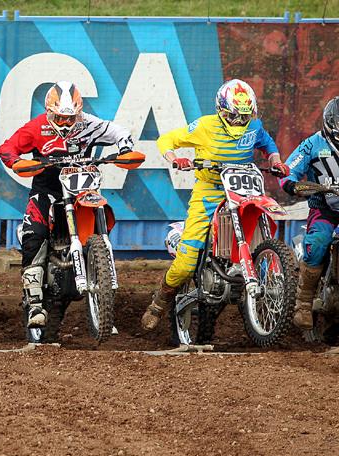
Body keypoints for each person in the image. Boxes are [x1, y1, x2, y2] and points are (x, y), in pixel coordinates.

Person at [140, 79, 289, 331]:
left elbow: (267, 143)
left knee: (261, 222)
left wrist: (275, 159)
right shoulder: (205, 126)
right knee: (186, 263)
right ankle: (160, 300)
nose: (241, 121)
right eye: (234, 116)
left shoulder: (254, 126)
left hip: (244, 188)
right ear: (222, 110)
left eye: (245, 116)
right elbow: (167, 140)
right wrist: (175, 158)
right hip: (209, 191)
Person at [0, 80, 135, 326]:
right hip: (48, 189)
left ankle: (103, 294)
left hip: (83, 191)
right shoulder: (36, 127)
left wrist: (125, 149)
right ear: (49, 111)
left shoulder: (88, 123)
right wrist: (16, 162)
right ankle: (35, 303)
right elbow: (8, 148)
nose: (65, 123)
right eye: (60, 118)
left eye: (70, 118)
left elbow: (119, 132)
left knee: (101, 216)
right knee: (34, 233)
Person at [279, 97, 339, 330]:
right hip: (323, 208)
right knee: (317, 243)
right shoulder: (312, 144)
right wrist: (291, 184)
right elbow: (288, 170)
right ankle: (303, 302)